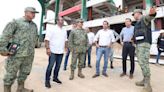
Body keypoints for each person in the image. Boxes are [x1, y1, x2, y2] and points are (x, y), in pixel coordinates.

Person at [0, 7, 39, 92]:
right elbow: (5, 36)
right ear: (26, 12)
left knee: (25, 72)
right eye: (32, 12)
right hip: (16, 54)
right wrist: (3, 50)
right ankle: (7, 90)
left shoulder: (34, 25)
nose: (34, 14)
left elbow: (35, 38)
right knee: (11, 74)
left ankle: (20, 88)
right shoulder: (15, 22)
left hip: (29, 55)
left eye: (34, 13)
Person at [132, 8, 156, 92]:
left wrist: (152, 14)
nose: (133, 16)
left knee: (144, 63)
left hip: (144, 44)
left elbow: (149, 17)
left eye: (134, 14)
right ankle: (144, 80)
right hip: (139, 44)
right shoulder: (137, 23)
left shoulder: (143, 19)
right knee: (141, 62)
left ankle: (148, 86)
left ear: (138, 13)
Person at [45, 17, 67, 88]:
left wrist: (66, 47)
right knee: (50, 66)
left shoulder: (64, 30)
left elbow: (65, 40)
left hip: (61, 51)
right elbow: (47, 39)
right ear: (57, 21)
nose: (61, 22)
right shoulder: (52, 29)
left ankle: (55, 78)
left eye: (62, 20)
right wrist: (47, 48)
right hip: (53, 51)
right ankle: (47, 81)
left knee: (58, 66)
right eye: (60, 20)